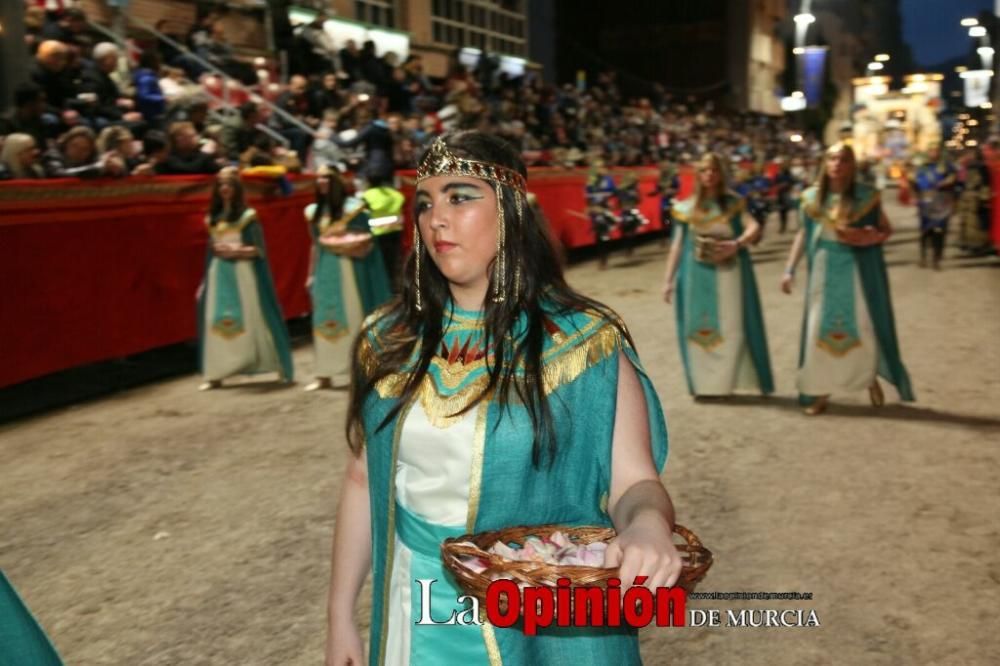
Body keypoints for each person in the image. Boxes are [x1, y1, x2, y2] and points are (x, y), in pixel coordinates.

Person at [325, 131, 682, 666]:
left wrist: (649, 524)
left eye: (460, 196)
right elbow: (363, 479)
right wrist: (340, 618)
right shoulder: (389, 338)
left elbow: (634, 482)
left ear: (511, 210)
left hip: (536, 619)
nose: (435, 218)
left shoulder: (582, 341)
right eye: (425, 203)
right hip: (414, 608)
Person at [781, 143, 914, 415]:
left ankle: (868, 378)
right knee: (818, 329)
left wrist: (868, 236)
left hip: (856, 269)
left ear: (851, 165)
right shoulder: (811, 197)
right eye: (831, 158)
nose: (836, 164)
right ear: (824, 163)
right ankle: (819, 390)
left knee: (861, 327)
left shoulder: (867, 197)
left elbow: (885, 229)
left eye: (842, 159)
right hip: (823, 268)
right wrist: (789, 269)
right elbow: (803, 235)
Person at [662, 153, 773, 398]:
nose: (709, 175)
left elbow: (753, 226)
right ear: (698, 175)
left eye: (714, 171)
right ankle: (703, 386)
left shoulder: (733, 203)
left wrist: (738, 243)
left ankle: (723, 385)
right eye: (704, 171)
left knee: (730, 325)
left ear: (721, 174)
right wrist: (668, 280)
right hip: (694, 275)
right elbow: (677, 245)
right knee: (697, 326)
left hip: (729, 272)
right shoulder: (684, 208)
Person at [197, 167, 293, 390]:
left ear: (236, 188)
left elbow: (258, 250)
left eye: (228, 184)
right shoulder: (212, 218)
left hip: (243, 273)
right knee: (215, 318)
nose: (224, 189)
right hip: (219, 274)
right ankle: (216, 373)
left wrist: (235, 252)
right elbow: (211, 252)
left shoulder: (248, 217)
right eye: (221, 185)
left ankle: (272, 365)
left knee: (252, 317)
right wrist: (205, 281)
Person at [304, 166, 392, 391]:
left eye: (326, 177)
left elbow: (368, 241)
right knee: (324, 317)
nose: (321, 181)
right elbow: (315, 244)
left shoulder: (354, 209)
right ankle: (324, 373)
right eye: (319, 177)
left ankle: (359, 371)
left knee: (354, 316)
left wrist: (349, 246)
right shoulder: (314, 211)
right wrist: (311, 274)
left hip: (350, 269)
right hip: (326, 270)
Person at [912, 145, 957, 270]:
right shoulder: (922, 167)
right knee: (925, 231)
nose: (933, 153)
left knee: (940, 231)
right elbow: (915, 182)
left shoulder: (946, 166)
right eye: (931, 150)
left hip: (941, 202)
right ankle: (923, 258)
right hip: (925, 202)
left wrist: (946, 182)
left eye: (936, 151)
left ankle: (936, 259)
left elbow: (954, 178)